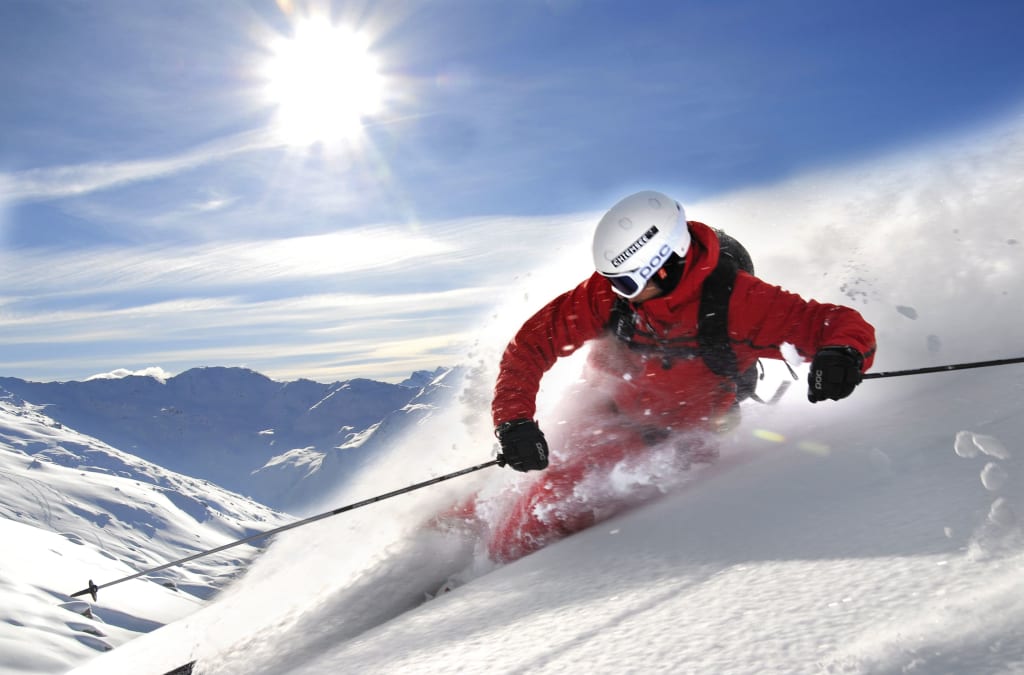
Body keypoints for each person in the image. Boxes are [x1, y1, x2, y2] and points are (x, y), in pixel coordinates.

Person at [485, 190, 876, 562]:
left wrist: (842, 356)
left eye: (627, 282)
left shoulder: (743, 304)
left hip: (677, 443)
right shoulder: (607, 295)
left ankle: (486, 583)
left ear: (667, 264)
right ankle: (447, 541)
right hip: (597, 411)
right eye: (612, 280)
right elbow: (531, 345)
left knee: (549, 504)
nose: (618, 293)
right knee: (523, 486)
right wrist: (513, 422)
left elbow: (835, 325)